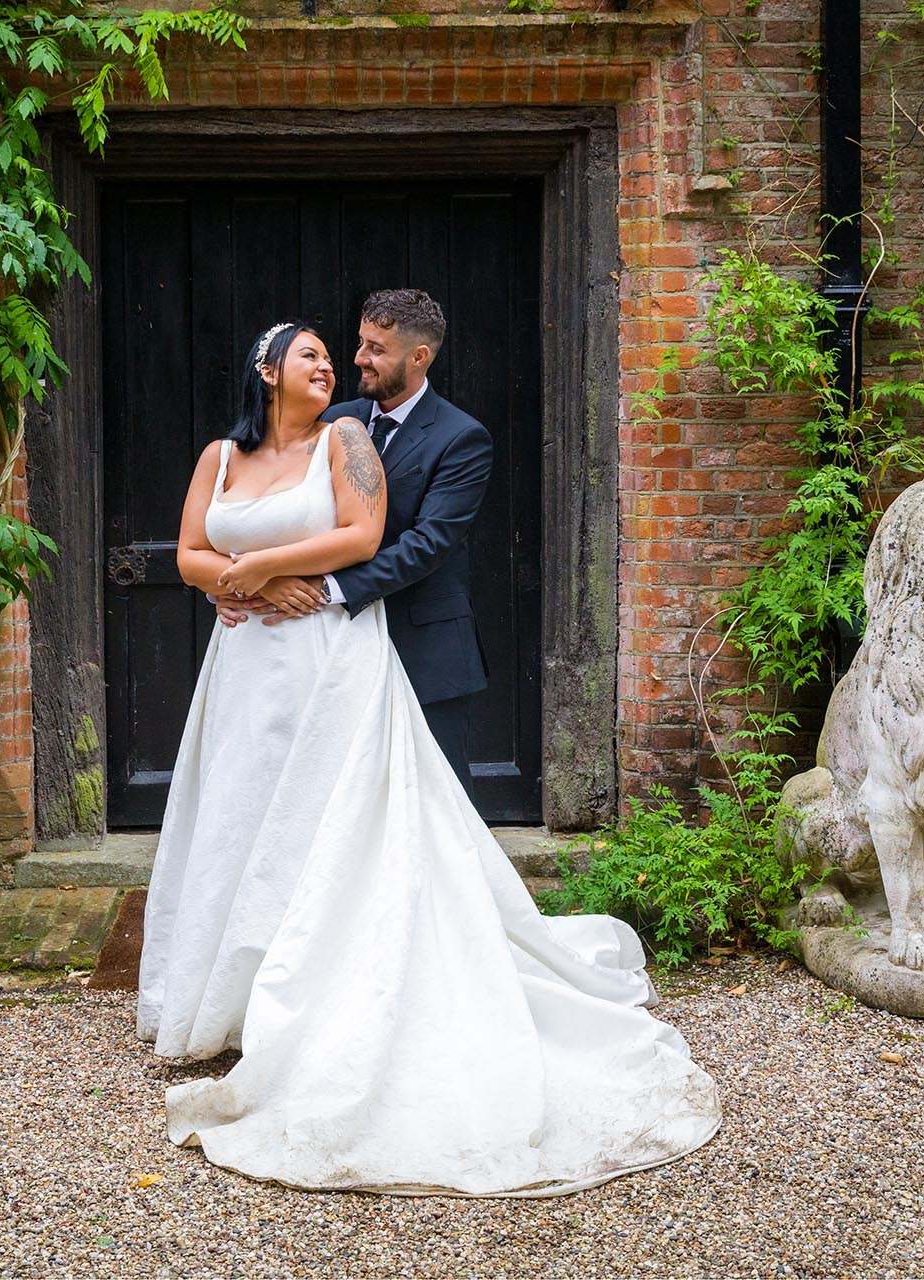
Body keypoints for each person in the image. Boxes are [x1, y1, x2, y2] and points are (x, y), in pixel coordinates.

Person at [136, 318, 721, 1197]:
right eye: (317, 355)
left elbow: (372, 538)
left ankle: (326, 1000)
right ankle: (231, 996)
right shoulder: (222, 454)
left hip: (331, 655)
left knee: (343, 828)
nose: (338, 364)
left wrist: (259, 569)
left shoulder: (354, 439)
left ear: (417, 352)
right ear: (265, 371)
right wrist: (229, 580)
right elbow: (187, 552)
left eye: (348, 354)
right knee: (238, 816)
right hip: (247, 667)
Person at [215, 290, 489, 794]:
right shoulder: (333, 420)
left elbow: (426, 545)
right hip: (326, 652)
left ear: (418, 356)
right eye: (361, 343)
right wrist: (236, 581)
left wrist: (318, 588)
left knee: (433, 802)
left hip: (420, 646)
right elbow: (276, 509)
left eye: (375, 349)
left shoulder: (461, 438)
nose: (358, 358)